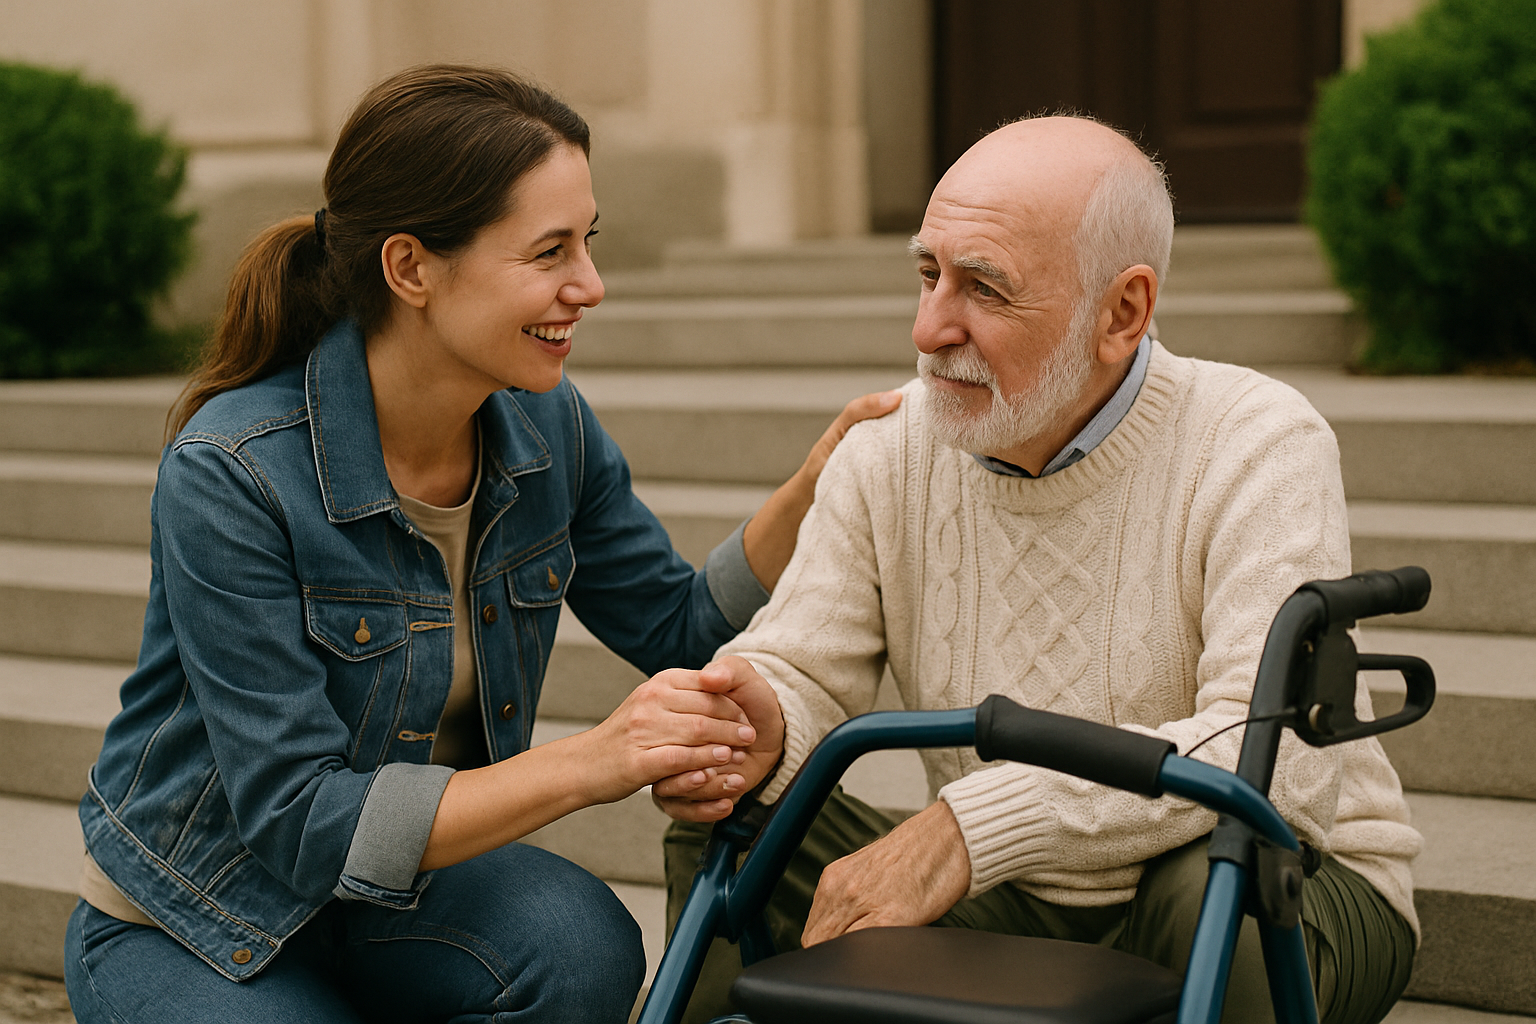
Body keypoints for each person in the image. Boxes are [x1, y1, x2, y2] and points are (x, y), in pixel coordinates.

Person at [63, 65, 898, 1024]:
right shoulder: (233, 472)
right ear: (411, 268)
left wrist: (813, 489)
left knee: (580, 949)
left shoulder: (549, 432)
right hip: (199, 914)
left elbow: (678, 625)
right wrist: (596, 760)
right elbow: (303, 821)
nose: (589, 285)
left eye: (589, 242)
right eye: (549, 252)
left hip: (400, 898)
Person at [656, 116, 1421, 1024]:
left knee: (1218, 875)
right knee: (736, 823)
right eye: (928, 273)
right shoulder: (890, 445)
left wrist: (972, 830)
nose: (930, 326)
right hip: (1012, 893)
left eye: (984, 287)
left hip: (1293, 890)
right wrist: (753, 721)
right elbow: (803, 663)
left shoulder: (1257, 442)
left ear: (1122, 313)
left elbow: (1274, 762)